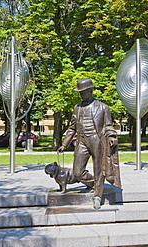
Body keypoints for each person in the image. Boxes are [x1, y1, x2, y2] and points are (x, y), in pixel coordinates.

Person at [57, 78, 121, 209]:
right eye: (80, 92)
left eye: (83, 91)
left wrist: (112, 137)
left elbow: (108, 126)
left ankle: (97, 195)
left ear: (90, 90)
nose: (81, 94)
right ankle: (95, 184)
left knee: (99, 170)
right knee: (77, 172)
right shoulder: (77, 108)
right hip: (81, 141)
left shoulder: (103, 108)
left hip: (97, 141)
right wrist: (64, 144)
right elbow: (72, 128)